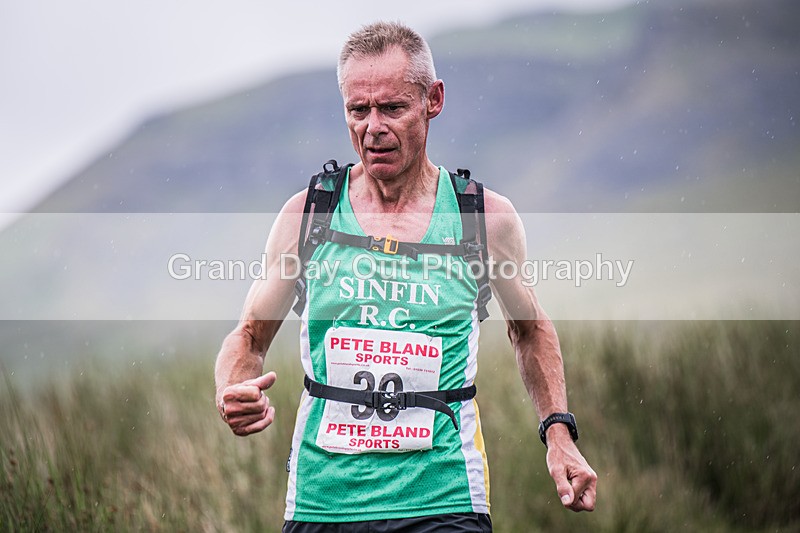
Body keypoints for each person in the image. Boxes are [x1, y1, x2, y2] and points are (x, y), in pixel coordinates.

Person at [214, 21, 596, 532]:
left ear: (433, 100)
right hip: (324, 502)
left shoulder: (481, 218)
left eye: (392, 108)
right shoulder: (310, 214)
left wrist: (558, 432)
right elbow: (248, 336)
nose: (373, 127)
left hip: (445, 499)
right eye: (358, 110)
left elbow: (528, 329)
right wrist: (232, 388)